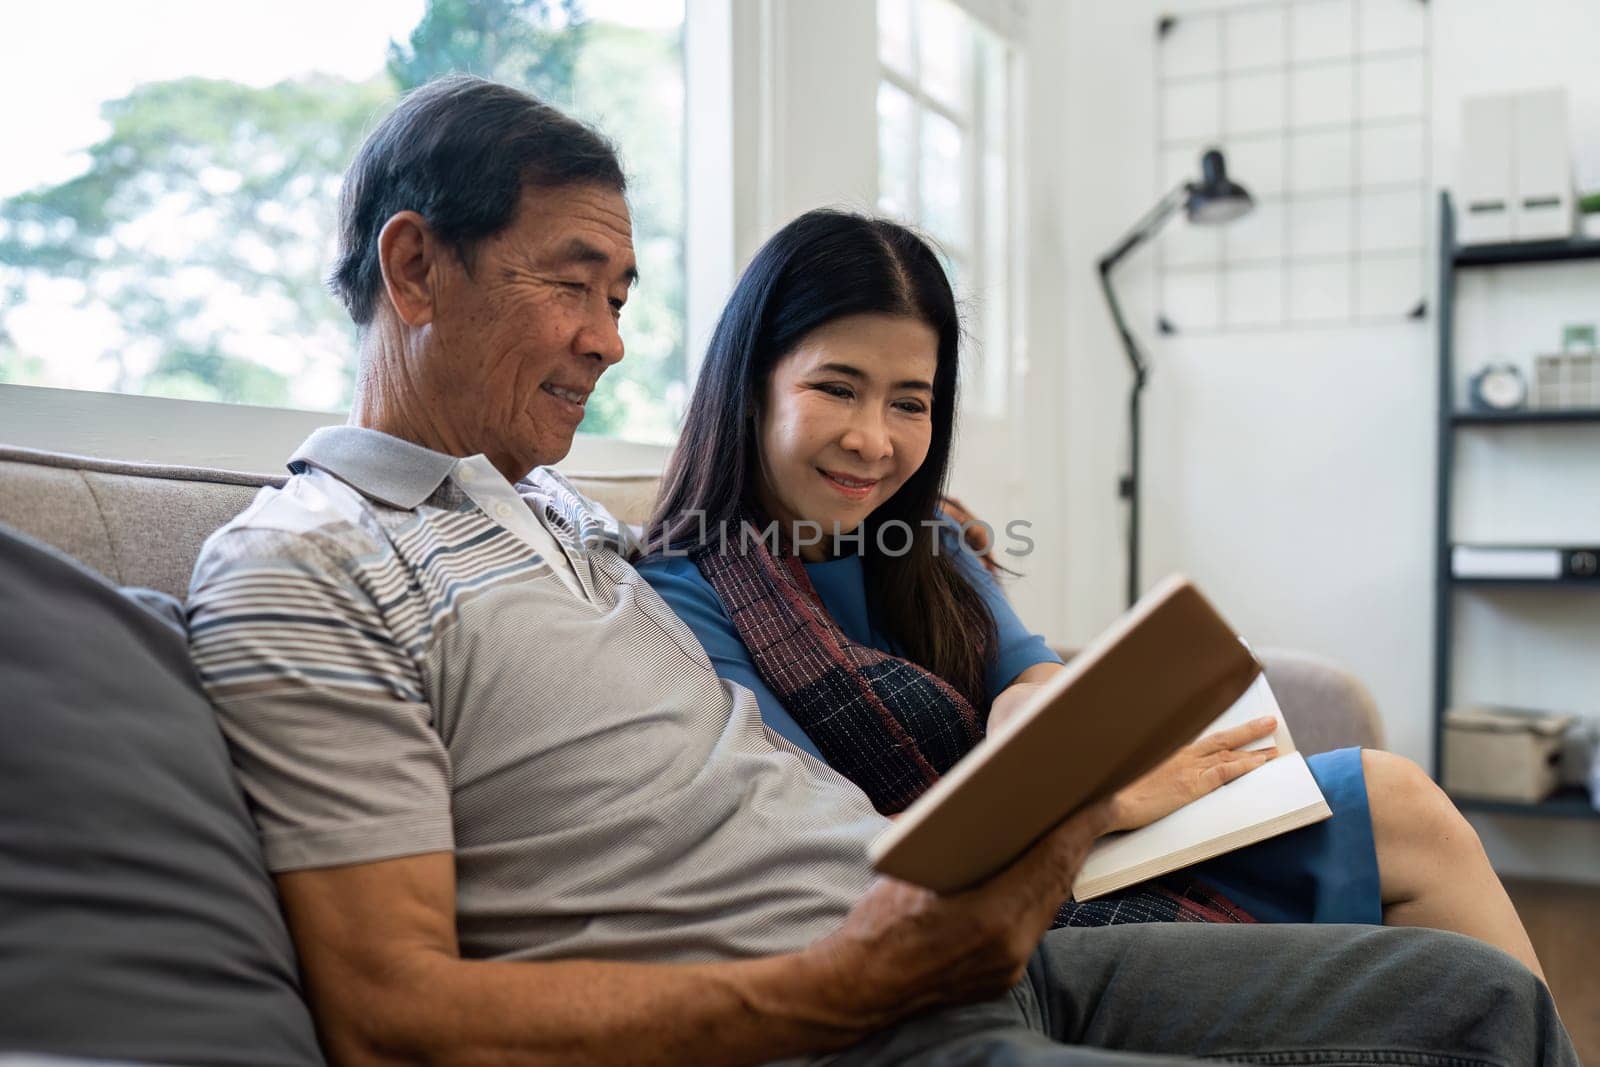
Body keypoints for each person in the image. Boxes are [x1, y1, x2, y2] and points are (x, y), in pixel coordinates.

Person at [185, 74, 1575, 1066]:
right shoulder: (307, 564)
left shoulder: (564, 517)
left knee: (1481, 1003)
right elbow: (393, 1012)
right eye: (574, 280)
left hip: (984, 954)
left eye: (622, 295)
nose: (609, 340)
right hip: (847, 1015)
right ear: (417, 268)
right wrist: (834, 985)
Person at [638, 208, 1547, 970]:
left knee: (1399, 798)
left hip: (1079, 837)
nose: (875, 440)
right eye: (838, 389)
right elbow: (824, 842)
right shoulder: (685, 592)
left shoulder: (927, 539)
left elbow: (1027, 673)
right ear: (751, 385)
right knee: (1418, 919)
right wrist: (1091, 802)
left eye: (910, 402)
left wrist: (1032, 726)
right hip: (967, 905)